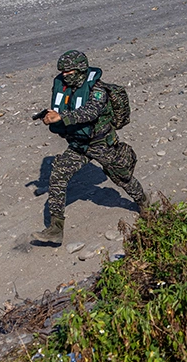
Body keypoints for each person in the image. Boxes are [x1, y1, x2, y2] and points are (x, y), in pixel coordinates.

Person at [31, 50, 147, 245]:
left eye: (69, 72)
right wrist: (51, 116)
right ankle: (55, 229)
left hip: (100, 144)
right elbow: (66, 107)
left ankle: (144, 203)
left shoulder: (97, 89)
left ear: (80, 70)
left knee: (122, 178)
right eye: (63, 72)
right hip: (78, 144)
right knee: (58, 175)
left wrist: (61, 117)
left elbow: (90, 112)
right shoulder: (66, 87)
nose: (64, 76)